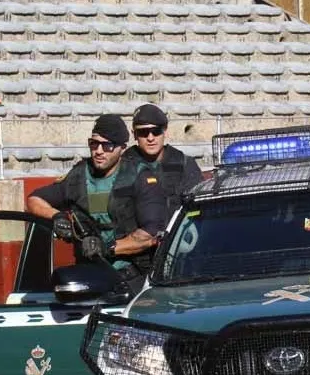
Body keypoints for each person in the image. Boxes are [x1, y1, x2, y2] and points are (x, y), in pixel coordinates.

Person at [26, 107, 203, 292]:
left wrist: (105, 248)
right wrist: (57, 217)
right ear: (135, 135)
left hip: (161, 263)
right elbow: (35, 199)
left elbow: (152, 233)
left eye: (155, 131)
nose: (100, 151)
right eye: (94, 144)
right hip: (92, 273)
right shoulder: (82, 175)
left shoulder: (151, 172)